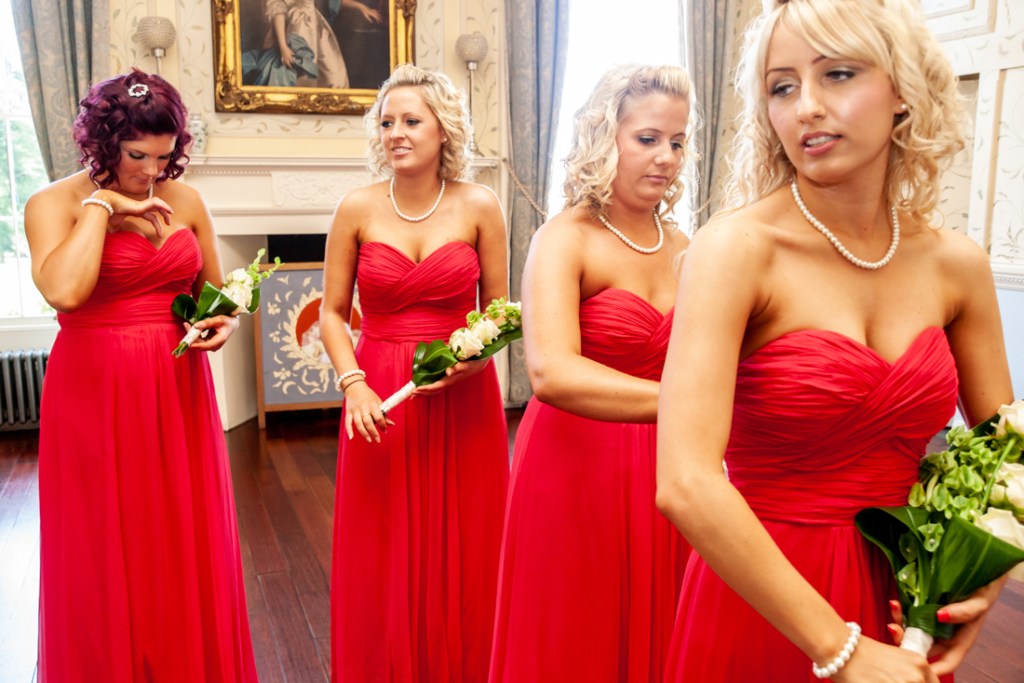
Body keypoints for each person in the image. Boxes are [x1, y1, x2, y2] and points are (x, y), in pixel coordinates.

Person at [655, 1, 1012, 681]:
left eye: (838, 74)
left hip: (904, 600)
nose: (807, 107)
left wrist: (984, 575)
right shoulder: (736, 250)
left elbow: (1005, 454)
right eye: (782, 87)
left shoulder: (955, 263)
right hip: (762, 596)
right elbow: (685, 481)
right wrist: (839, 650)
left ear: (902, 89)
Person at [25, 70, 258, 682]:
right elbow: (67, 292)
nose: (152, 171)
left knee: (180, 539)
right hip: (93, 389)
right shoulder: (51, 204)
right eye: (136, 156)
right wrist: (102, 207)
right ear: (102, 144)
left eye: (164, 155)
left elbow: (215, 292)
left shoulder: (185, 200)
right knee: (101, 545)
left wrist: (223, 322)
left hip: (176, 387)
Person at [488, 64, 694, 683]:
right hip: (575, 462)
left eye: (678, 142)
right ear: (607, 137)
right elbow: (550, 372)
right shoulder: (564, 238)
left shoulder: (690, 247)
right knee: (574, 630)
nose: (666, 158)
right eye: (648, 139)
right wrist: (691, 402)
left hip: (670, 463)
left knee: (664, 622)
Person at [320, 64, 509, 682]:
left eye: (410, 121)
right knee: (381, 540)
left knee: (470, 539)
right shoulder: (357, 207)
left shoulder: (480, 204)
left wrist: (473, 360)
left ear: (442, 129)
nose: (394, 133)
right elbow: (330, 314)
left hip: (462, 394)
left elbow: (500, 316)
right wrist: (354, 386)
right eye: (387, 122)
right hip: (379, 391)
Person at [263, 0, 382, 88]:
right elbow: (277, 9)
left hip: (317, 29)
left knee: (335, 78)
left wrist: (361, 7)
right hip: (297, 29)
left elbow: (335, 1)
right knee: (303, 77)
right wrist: (283, 46)